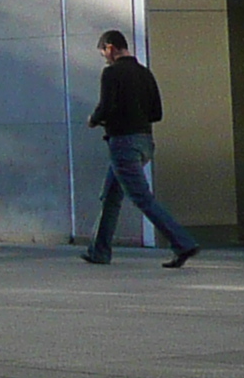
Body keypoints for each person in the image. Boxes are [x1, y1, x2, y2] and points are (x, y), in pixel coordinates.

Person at [85, 29, 198, 269]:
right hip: (145, 142)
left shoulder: (111, 73)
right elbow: (156, 113)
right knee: (111, 196)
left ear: (110, 48)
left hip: (123, 144)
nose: (104, 58)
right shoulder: (145, 73)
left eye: (103, 52)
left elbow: (105, 107)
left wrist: (94, 119)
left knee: (142, 198)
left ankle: (183, 243)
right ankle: (98, 251)